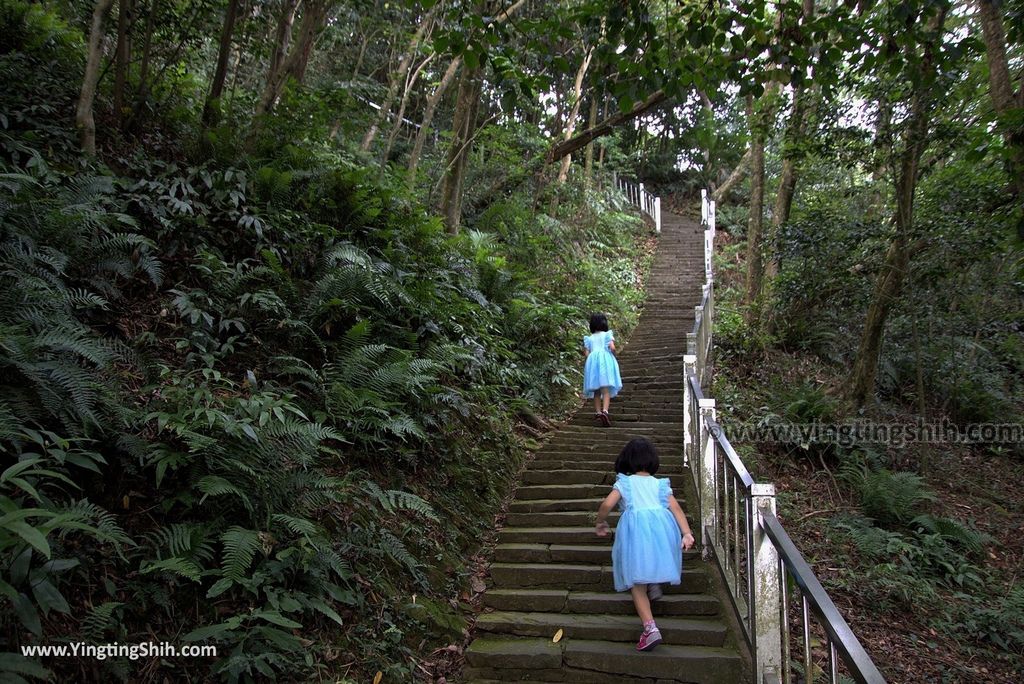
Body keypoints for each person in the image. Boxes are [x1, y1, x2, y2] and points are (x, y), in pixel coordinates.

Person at [595, 437, 696, 652]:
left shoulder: (625, 482)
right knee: (653, 556)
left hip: (635, 532)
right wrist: (686, 533)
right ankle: (654, 582)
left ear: (627, 460)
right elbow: (676, 509)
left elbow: (607, 504)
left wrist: (601, 521)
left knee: (635, 583)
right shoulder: (660, 484)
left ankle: (650, 629)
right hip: (662, 528)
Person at [583, 313, 622, 426]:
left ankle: (598, 412)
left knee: (596, 390)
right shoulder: (607, 335)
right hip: (605, 361)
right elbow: (612, 347)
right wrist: (614, 354)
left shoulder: (589, 338)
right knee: (605, 390)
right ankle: (605, 411)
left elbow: (586, 353)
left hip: (593, 362)